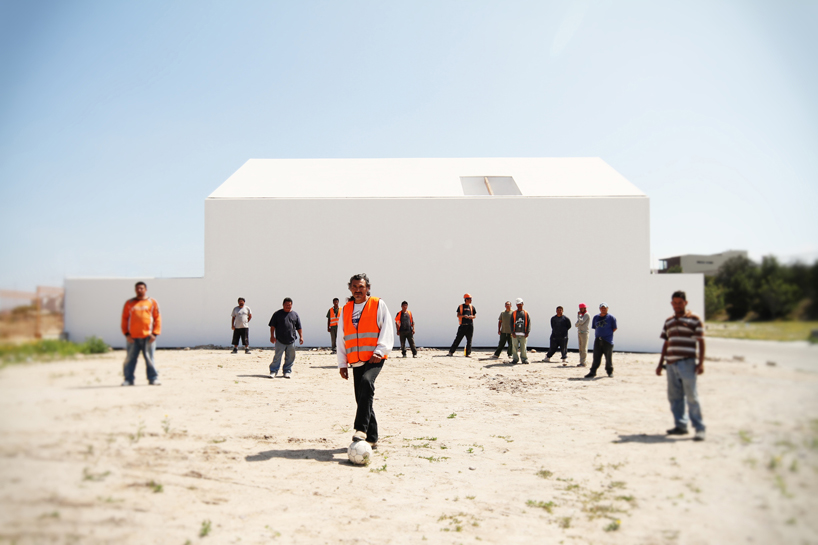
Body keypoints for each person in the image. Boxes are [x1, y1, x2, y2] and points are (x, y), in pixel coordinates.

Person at [337, 273, 393, 447]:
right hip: (356, 359)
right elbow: (341, 337)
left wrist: (380, 350)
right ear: (350, 289)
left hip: (375, 357)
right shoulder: (346, 309)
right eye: (354, 287)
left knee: (367, 383)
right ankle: (372, 438)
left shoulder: (377, 304)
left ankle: (360, 429)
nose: (357, 290)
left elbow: (387, 328)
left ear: (367, 288)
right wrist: (342, 363)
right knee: (361, 397)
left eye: (361, 286)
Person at [656, 290, 706, 441]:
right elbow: (666, 342)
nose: (677, 305)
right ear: (671, 303)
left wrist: (701, 363)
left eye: (680, 303)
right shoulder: (669, 321)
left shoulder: (694, 319)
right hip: (671, 364)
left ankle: (699, 428)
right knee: (674, 397)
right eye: (674, 303)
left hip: (687, 363)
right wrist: (660, 364)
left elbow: (701, 341)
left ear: (686, 303)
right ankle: (681, 425)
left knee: (691, 396)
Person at [120, 281, 161, 386]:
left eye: (142, 288)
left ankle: (153, 378)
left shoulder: (152, 302)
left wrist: (155, 333)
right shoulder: (129, 303)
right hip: (133, 338)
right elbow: (125, 319)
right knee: (130, 359)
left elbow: (157, 318)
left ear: (145, 289)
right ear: (135, 290)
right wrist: (126, 334)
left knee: (150, 359)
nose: (139, 290)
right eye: (137, 288)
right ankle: (128, 379)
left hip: (148, 337)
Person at [268, 297, 303, 379]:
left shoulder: (295, 314)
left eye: (290, 305)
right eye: (286, 305)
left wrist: (301, 337)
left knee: (290, 357)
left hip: (291, 340)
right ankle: (273, 371)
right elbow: (272, 326)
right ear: (283, 305)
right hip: (280, 340)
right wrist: (272, 336)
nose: (288, 306)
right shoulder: (277, 314)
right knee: (277, 357)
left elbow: (299, 327)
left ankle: (287, 371)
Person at [584, 303, 618, 378]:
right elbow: (595, 327)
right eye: (602, 308)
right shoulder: (596, 317)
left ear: (607, 308)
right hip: (598, 340)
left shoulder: (611, 318)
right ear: (600, 309)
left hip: (608, 341)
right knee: (596, 357)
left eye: (605, 308)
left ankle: (609, 372)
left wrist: (607, 334)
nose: (603, 309)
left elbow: (614, 328)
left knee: (608, 357)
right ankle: (593, 372)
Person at [510, 298, 531, 364]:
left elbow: (529, 323)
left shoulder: (526, 313)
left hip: (523, 333)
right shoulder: (514, 313)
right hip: (515, 334)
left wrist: (527, 332)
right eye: (518, 304)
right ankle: (515, 359)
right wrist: (512, 332)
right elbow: (511, 323)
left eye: (520, 304)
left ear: (523, 304)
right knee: (514, 347)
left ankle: (524, 359)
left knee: (523, 347)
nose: (519, 305)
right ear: (516, 305)